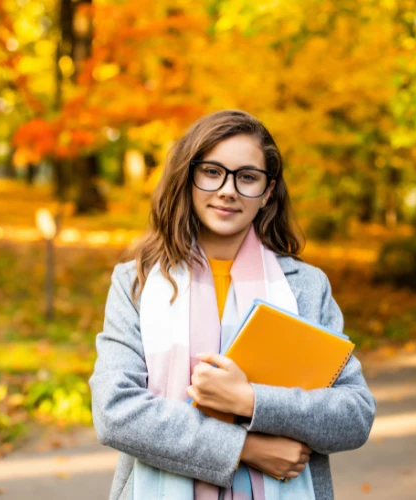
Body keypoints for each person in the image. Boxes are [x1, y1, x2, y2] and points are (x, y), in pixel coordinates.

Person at [89, 110, 376, 500]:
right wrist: (245, 449)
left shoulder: (306, 287)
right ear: (188, 178)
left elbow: (353, 415)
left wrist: (251, 401)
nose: (228, 190)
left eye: (247, 178)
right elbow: (115, 412)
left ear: (268, 191)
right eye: (212, 172)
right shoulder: (137, 282)